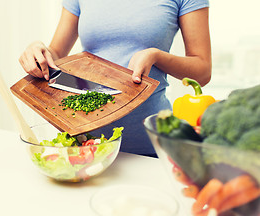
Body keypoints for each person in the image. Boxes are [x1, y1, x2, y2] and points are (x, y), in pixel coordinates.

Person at [19, 0, 211, 157]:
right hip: (85, 146)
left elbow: (202, 71)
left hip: (151, 147)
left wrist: (157, 56)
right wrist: (39, 50)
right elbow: (57, 53)